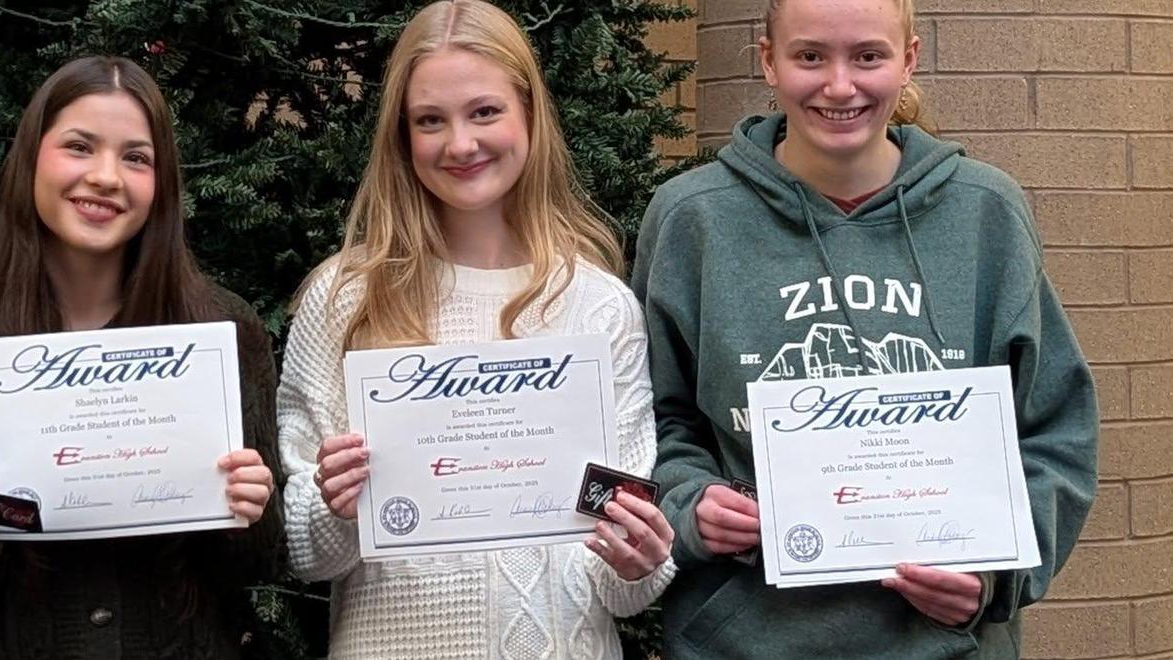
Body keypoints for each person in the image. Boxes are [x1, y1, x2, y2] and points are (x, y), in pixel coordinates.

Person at [632, 0, 1099, 656]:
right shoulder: (693, 218)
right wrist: (689, 500)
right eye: (810, 56)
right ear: (768, 59)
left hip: (941, 643)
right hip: (742, 639)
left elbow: (1056, 430)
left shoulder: (985, 214)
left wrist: (997, 575)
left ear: (908, 58)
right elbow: (653, 418)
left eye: (868, 56)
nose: (841, 85)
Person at [277, 2, 675, 657]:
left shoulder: (597, 307)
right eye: (430, 120)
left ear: (529, 114)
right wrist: (333, 504)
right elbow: (306, 554)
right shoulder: (345, 298)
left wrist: (640, 559)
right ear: (403, 137)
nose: (460, 144)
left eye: (484, 111)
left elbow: (621, 580)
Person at [0, 55, 284, 659]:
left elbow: (260, 567)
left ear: (161, 186)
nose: (106, 176)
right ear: (32, 160)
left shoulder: (225, 333)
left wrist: (247, 512)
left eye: (136, 157)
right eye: (79, 147)